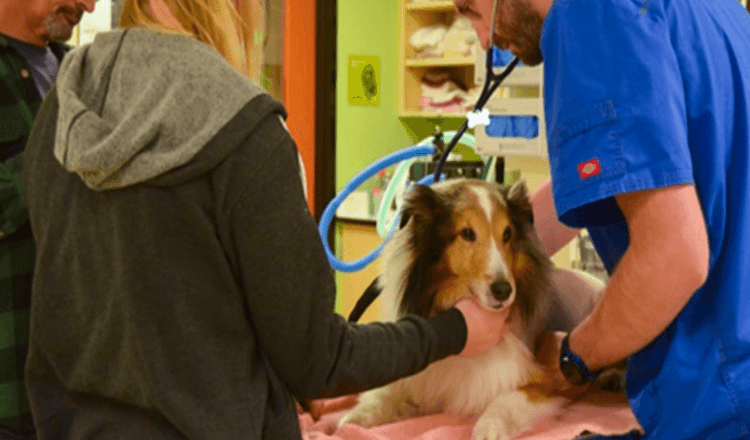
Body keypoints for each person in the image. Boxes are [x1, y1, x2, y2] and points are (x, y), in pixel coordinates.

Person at [19, 0, 510, 439]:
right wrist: (455, 332)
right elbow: (321, 358)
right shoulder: (246, 132)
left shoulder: (62, 110)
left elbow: (151, 326)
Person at [454, 0, 750, 439]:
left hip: (723, 403)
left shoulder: (588, 18)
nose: (483, 40)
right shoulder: (714, 10)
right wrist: (501, 243)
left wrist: (573, 358)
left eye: (471, 10)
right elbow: (626, 168)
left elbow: (675, 256)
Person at [0, 1, 96, 438]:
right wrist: (76, 158)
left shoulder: (77, 72)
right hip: (10, 387)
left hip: (80, 390)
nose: (90, 5)